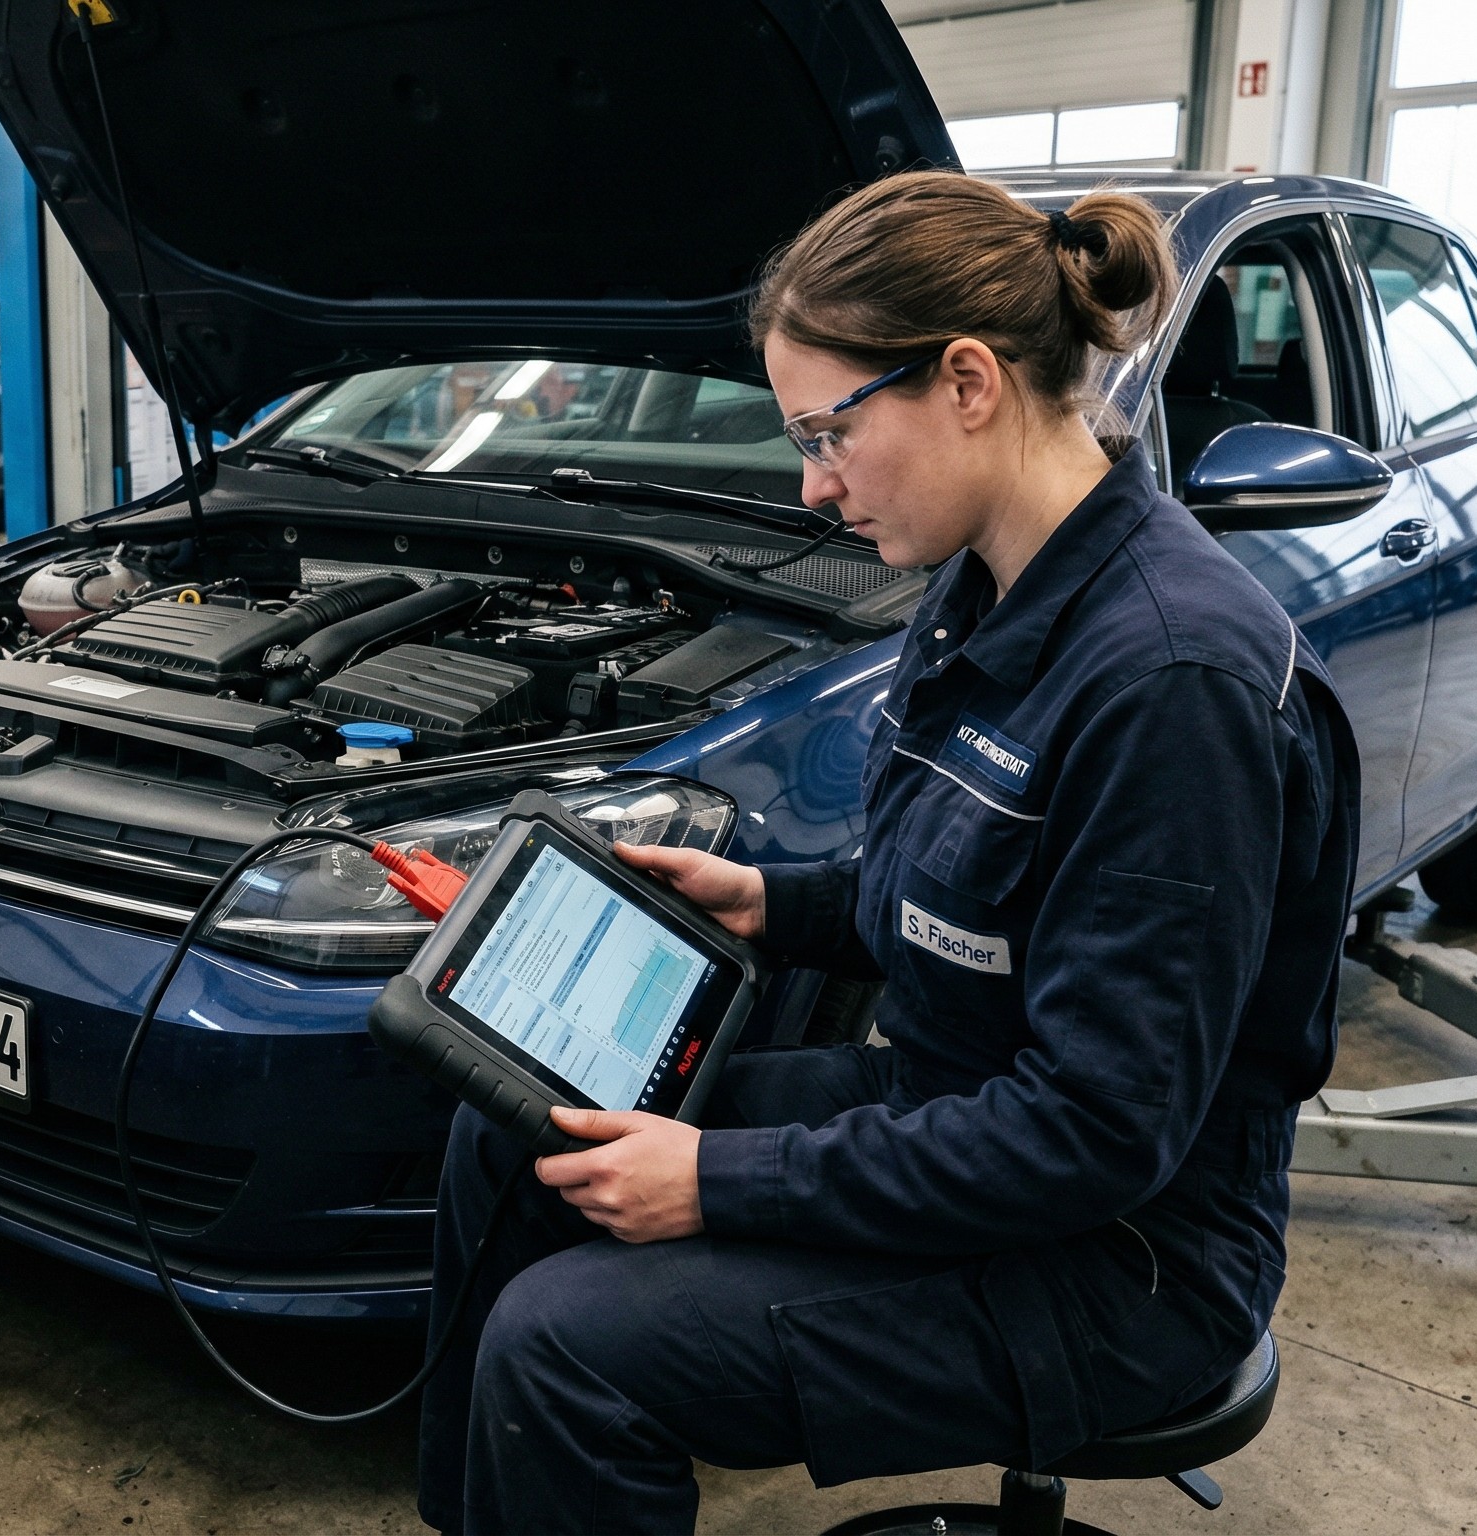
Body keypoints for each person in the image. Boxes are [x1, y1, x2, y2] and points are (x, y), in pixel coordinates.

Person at [415, 172, 1361, 1535]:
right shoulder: (983, 587)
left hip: (1118, 1261)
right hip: (952, 1110)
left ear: (967, 381)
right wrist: (772, 902)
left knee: (566, 1346)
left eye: (829, 433)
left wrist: (713, 1183)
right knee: (511, 1138)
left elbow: (1098, 1133)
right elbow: (972, 895)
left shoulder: (1172, 686)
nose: (814, 485)